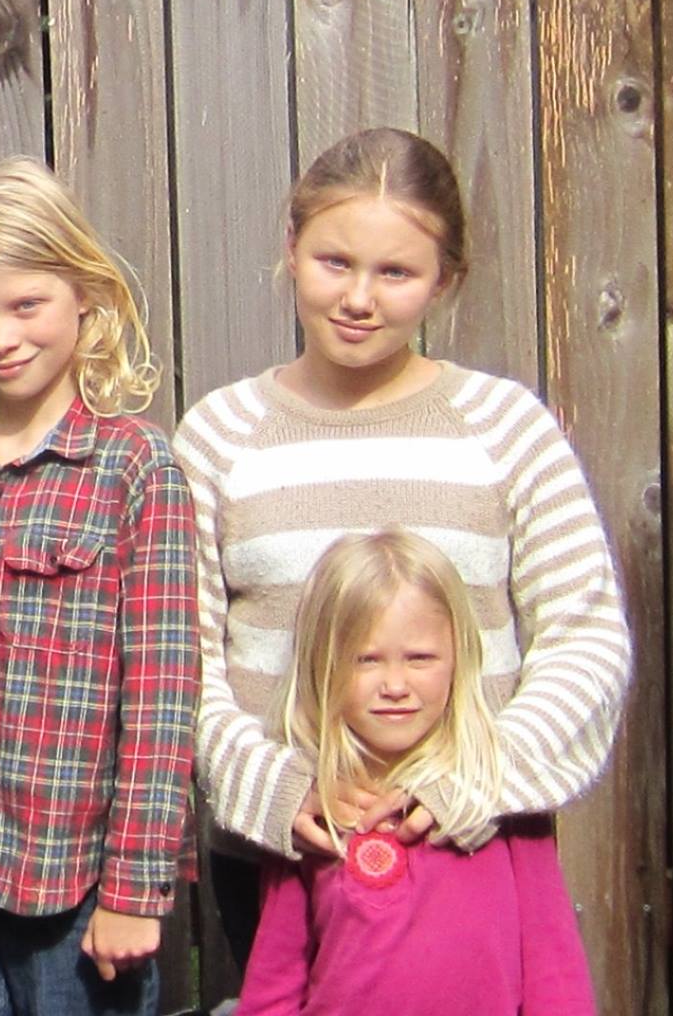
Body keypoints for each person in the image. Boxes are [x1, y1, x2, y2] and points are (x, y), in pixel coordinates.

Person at [173, 128, 632, 966]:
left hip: (473, 859)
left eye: (396, 273)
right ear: (291, 249)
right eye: (334, 262)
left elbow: (587, 636)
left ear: (445, 281)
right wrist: (269, 785)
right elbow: (180, 656)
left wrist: (479, 779)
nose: (359, 297)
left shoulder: (505, 428)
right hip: (284, 869)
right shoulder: (219, 435)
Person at [0, 158, 196, 1016]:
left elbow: (162, 692)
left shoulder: (134, 466)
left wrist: (134, 884)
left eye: (26, 306)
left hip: (74, 883)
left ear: (83, 295)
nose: (0, 337)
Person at [234, 529, 596, 1015]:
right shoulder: (316, 815)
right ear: (324, 666)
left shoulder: (505, 803)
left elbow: (557, 977)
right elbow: (272, 991)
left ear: (458, 660)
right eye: (367, 660)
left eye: (420, 658)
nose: (396, 685)